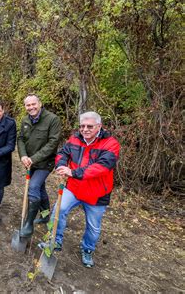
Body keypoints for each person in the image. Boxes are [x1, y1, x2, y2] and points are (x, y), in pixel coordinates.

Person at [45, 111, 120, 268]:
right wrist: (61, 166)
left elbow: (101, 167)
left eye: (89, 126)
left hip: (97, 193)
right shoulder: (74, 139)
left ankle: (87, 250)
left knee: (93, 227)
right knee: (58, 211)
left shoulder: (110, 144)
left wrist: (72, 172)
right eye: (82, 126)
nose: (85, 129)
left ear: (99, 126)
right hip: (74, 188)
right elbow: (62, 154)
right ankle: (54, 241)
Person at [18, 94, 62, 238]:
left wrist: (34, 158)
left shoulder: (52, 119)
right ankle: (45, 215)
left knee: (34, 187)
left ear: (40, 103)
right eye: (28, 105)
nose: (31, 107)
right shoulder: (25, 120)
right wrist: (23, 156)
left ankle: (29, 223)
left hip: (45, 162)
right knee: (41, 188)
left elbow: (53, 143)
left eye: (33, 104)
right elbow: (21, 139)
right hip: (29, 162)